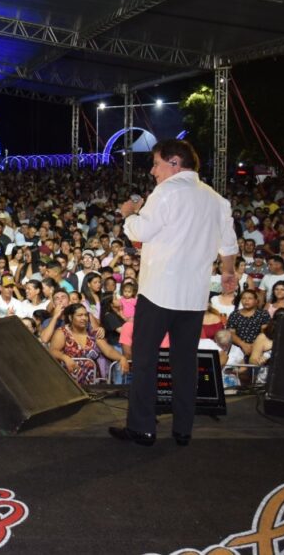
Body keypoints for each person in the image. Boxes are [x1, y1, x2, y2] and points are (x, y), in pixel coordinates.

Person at [110, 139, 238, 447]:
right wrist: (228, 273)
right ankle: (183, 429)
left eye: (156, 164)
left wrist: (129, 215)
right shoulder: (216, 199)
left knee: (144, 360)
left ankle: (142, 428)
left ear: (174, 163)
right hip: (193, 297)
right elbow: (229, 245)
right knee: (184, 363)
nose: (153, 171)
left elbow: (140, 232)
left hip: (158, 293)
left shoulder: (165, 192)